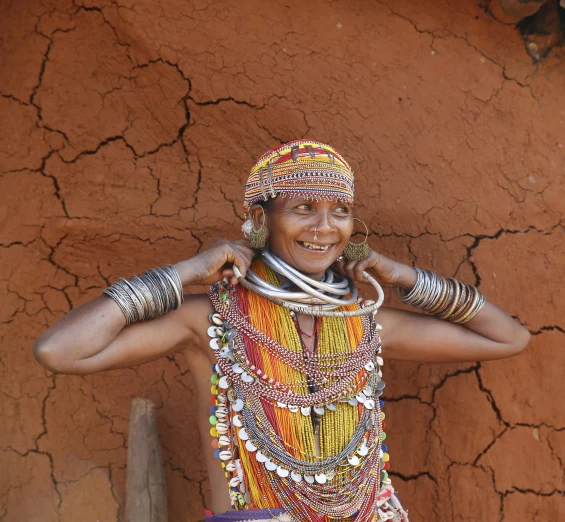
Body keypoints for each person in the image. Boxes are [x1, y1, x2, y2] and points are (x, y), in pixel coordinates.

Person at [33, 140, 531, 522]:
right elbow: (60, 351)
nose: (324, 227)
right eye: (302, 209)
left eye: (339, 211)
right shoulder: (211, 320)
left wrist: (404, 277)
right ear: (259, 218)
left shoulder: (363, 322)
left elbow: (508, 338)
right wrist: (187, 272)